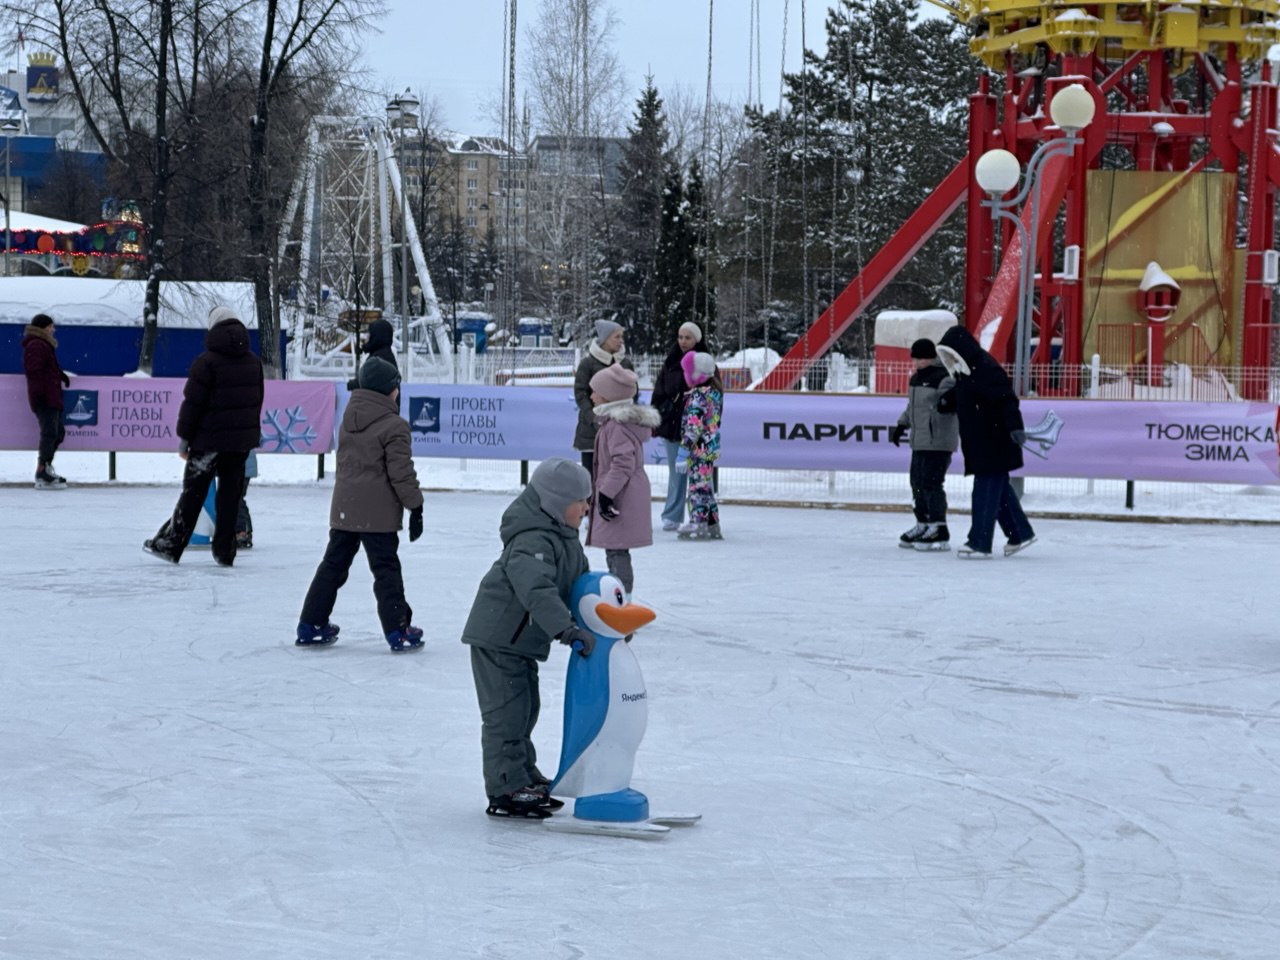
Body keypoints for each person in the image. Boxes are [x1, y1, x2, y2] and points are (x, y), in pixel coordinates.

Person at [461, 457, 595, 820]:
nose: (586, 507)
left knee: (526, 709)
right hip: (497, 637)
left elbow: (580, 586)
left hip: (519, 642)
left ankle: (523, 775)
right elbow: (537, 590)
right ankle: (505, 787)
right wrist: (566, 630)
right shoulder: (533, 539)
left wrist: (604, 622)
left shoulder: (564, 539)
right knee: (507, 715)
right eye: (580, 500)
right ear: (554, 502)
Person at [296, 356, 425, 651]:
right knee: (386, 569)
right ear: (388, 391)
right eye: (396, 386)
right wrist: (415, 506)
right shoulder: (395, 426)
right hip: (377, 515)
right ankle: (398, 630)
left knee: (333, 565)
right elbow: (401, 473)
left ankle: (310, 622)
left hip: (345, 509)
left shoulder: (349, 419)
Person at [143, 306, 264, 566]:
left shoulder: (205, 362)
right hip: (239, 444)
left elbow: (192, 405)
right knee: (230, 497)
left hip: (207, 441)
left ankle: (171, 545)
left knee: (193, 495)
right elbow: (256, 402)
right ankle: (225, 551)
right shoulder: (253, 363)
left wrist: (184, 438)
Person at [937, 325, 1036, 559]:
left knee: (984, 491)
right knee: (999, 492)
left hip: (995, 441)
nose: (949, 359)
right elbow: (966, 394)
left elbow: (1006, 400)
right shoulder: (966, 372)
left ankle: (980, 542)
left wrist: (1015, 427)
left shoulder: (986, 369)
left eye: (951, 353)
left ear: (961, 350)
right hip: (981, 441)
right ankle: (1020, 533)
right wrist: (947, 402)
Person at [585, 364, 659, 595]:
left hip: (621, 495)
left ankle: (622, 599)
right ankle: (620, 597)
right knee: (616, 550)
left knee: (617, 550)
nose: (591, 396)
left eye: (595, 391)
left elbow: (623, 463)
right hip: (624, 492)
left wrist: (606, 494)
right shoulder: (614, 423)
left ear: (608, 395)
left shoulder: (616, 426)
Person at [891, 338, 958, 551]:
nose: (916, 362)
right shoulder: (916, 379)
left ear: (930, 357)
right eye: (915, 358)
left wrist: (947, 403)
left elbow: (953, 402)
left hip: (938, 440)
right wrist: (902, 424)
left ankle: (939, 527)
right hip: (919, 441)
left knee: (931, 483)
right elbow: (913, 407)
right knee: (917, 483)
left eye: (920, 358)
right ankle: (923, 523)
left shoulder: (944, 378)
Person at [650, 321, 711, 531]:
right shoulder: (671, 360)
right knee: (676, 473)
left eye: (688, 337)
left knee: (699, 475)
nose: (683, 341)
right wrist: (658, 414)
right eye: (680, 336)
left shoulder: (705, 362)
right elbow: (659, 390)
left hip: (697, 428)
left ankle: (701, 516)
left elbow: (711, 396)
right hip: (673, 425)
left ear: (697, 339)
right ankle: (672, 514)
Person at [573, 319, 634, 474]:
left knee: (613, 478)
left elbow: (634, 392)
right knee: (590, 478)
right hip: (591, 433)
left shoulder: (625, 363)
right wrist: (593, 416)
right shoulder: (587, 364)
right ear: (605, 339)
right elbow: (580, 393)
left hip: (619, 430)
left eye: (622, 336)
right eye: (617, 337)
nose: (621, 341)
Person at [677, 350, 723, 540]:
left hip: (698, 449)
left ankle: (698, 521)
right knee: (705, 486)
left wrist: (683, 449)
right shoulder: (714, 393)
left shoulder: (698, 396)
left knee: (696, 487)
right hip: (710, 447)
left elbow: (694, 426)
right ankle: (712, 522)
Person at [21, 313, 70, 489]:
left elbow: (46, 370)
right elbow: (35, 372)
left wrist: (59, 375)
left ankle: (46, 466)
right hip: (45, 398)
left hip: (51, 396)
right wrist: (40, 394)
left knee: (57, 433)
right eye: (51, 327)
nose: (53, 330)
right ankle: (42, 470)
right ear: (44, 328)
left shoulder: (44, 345)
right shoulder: (37, 345)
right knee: (50, 433)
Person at [346, 318, 398, 390]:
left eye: (370, 334)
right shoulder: (383, 353)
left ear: (377, 337)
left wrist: (352, 385)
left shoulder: (380, 358)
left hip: (379, 400)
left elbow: (369, 380)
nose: (367, 336)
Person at [235, 451, 258, 549]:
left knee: (236, 498)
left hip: (241, 467)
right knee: (236, 498)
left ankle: (242, 531)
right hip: (238, 466)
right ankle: (242, 531)